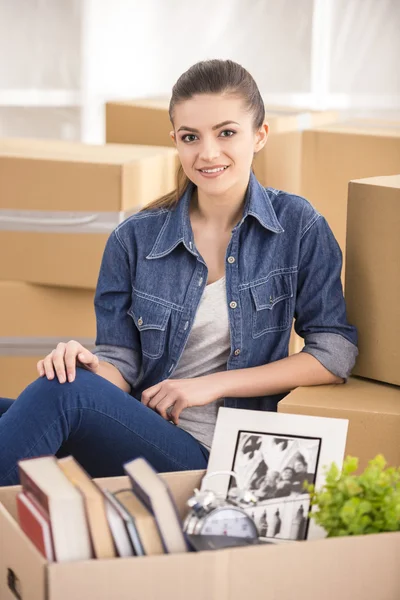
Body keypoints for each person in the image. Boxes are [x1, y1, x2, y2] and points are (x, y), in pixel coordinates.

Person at [0, 59, 357, 487]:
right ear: (175, 140)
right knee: (57, 387)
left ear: (259, 135)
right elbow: (121, 364)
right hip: (141, 434)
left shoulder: (298, 225)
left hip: (219, 457)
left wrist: (208, 385)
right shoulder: (133, 239)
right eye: (191, 137)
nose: (207, 153)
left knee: (55, 397)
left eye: (226, 132)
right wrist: (85, 367)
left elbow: (334, 354)